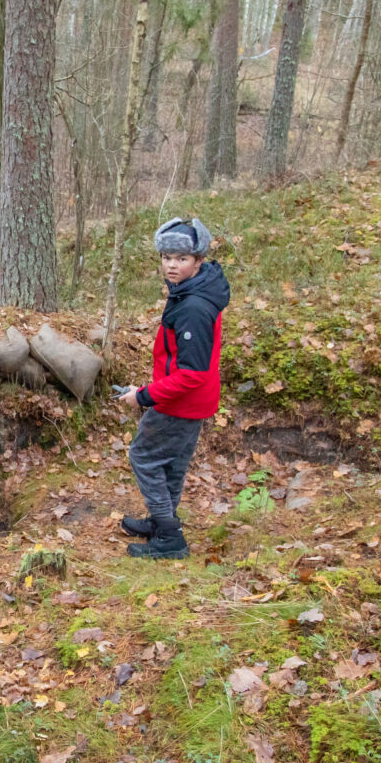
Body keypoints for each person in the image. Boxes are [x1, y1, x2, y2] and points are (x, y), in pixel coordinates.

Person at [115, 217, 230, 560]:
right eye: (167, 257)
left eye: (181, 258)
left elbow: (191, 373)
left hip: (181, 401)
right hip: (192, 399)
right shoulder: (195, 290)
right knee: (172, 462)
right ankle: (162, 522)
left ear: (197, 260)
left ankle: (169, 536)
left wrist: (144, 396)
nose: (172, 265)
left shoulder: (193, 307)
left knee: (144, 457)